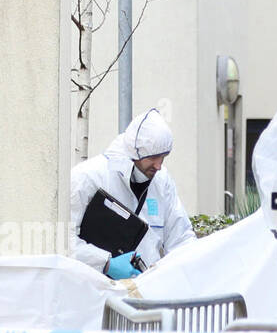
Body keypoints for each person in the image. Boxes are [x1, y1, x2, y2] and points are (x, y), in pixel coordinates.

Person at [69, 108, 195, 278]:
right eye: (152, 157)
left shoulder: (162, 181)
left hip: (146, 294)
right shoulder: (88, 178)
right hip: (98, 294)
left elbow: (181, 238)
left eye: (163, 157)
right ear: (134, 153)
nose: (158, 166)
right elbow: (63, 240)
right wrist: (105, 263)